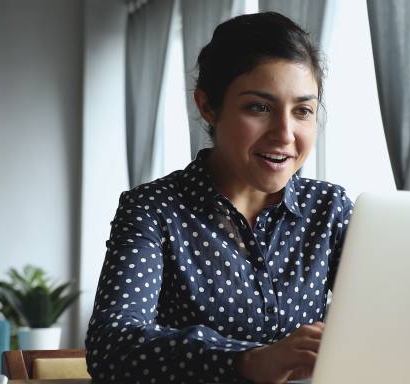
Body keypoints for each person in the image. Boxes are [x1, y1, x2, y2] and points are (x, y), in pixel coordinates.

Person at [85, 11, 353, 384]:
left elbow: (386, 320)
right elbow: (111, 346)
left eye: (303, 111)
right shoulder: (153, 209)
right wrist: (249, 360)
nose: (285, 134)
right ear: (208, 106)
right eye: (259, 107)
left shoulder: (330, 209)